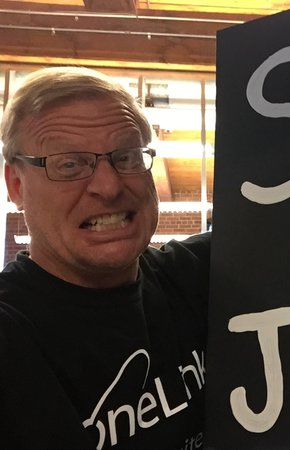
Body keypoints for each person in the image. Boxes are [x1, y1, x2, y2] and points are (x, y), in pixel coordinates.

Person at [0, 66, 209, 450]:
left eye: (126, 157)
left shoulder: (200, 276)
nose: (109, 186)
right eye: (69, 164)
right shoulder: (12, 337)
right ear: (16, 185)